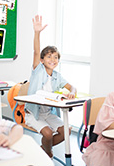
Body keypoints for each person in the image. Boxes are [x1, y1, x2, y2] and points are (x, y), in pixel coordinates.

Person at [25, 15, 77, 158]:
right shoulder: (38, 70)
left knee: (66, 131)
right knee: (47, 133)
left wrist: (72, 92)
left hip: (48, 114)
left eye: (55, 57)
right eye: (49, 56)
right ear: (42, 60)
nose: (52, 59)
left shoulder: (57, 76)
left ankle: (42, 149)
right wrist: (37, 33)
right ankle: (47, 153)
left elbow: (72, 87)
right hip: (33, 113)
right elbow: (36, 51)